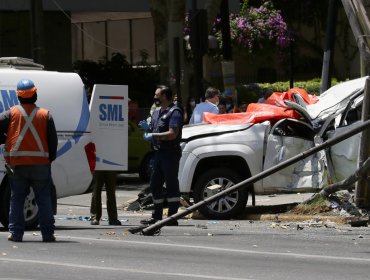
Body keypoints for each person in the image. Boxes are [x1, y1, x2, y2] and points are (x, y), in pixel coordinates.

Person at [0, 79, 58, 242]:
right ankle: (47, 234)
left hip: (17, 165)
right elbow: (52, 142)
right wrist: (49, 159)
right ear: (35, 94)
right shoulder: (45, 115)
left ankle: (16, 234)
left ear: (18, 96)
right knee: (44, 199)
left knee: (17, 198)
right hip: (40, 166)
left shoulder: (10, 114)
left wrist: (4, 139)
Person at [138, 85, 183, 225]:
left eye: (157, 95)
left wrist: (153, 135)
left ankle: (172, 217)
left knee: (171, 184)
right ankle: (156, 216)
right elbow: (154, 128)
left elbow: (172, 134)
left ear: (164, 96)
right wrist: (148, 128)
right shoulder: (157, 112)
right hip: (157, 153)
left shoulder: (174, 112)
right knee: (154, 184)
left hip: (170, 153)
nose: (155, 97)